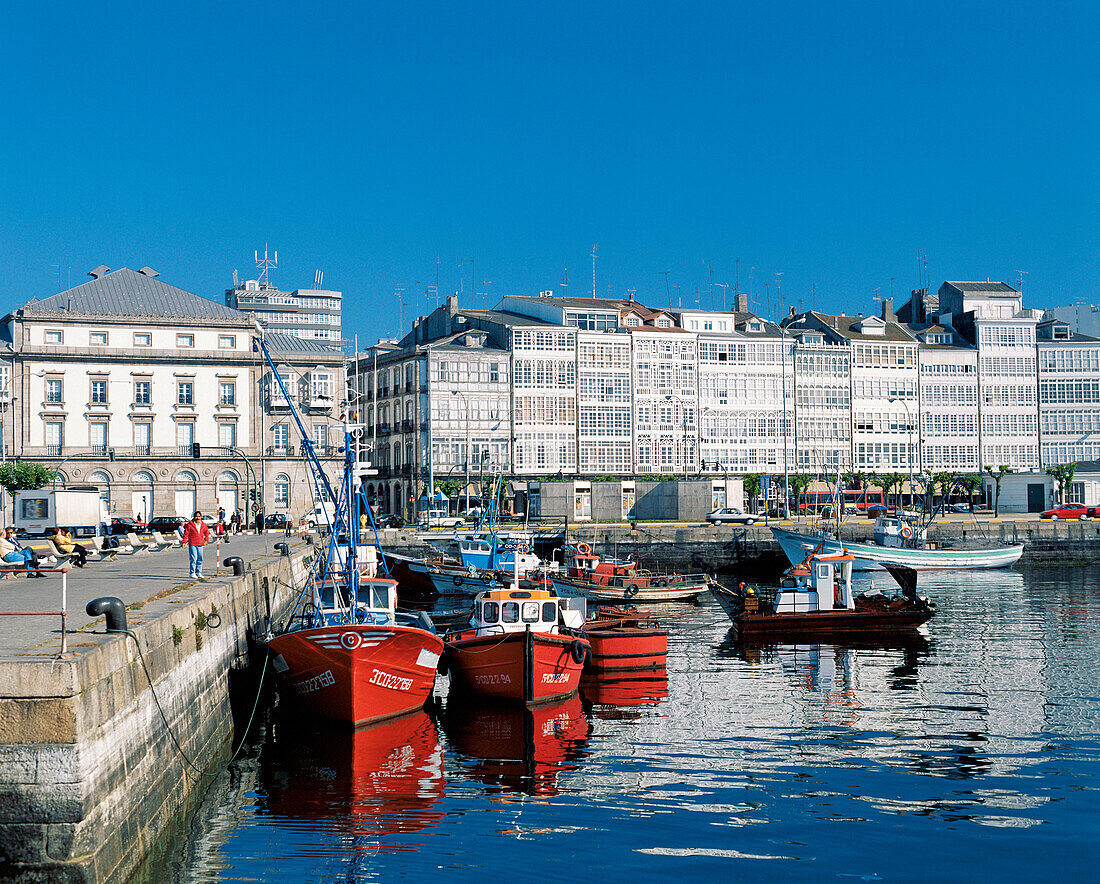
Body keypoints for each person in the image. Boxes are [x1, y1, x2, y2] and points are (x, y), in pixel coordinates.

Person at [182, 512, 211, 579]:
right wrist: (184, 541)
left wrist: (206, 540)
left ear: (201, 517)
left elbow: (206, 532)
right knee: (193, 558)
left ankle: (198, 572)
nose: (198, 518)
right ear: (194, 517)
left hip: (200, 544)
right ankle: (192, 573)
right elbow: (186, 534)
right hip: (192, 544)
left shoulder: (203, 525)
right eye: (196, 516)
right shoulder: (190, 525)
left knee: (200, 558)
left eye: (199, 516)